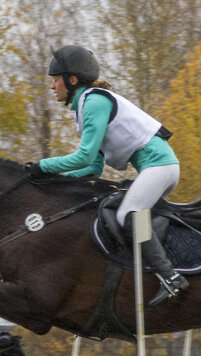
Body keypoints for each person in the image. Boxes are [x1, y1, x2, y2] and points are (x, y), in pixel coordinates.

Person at [27, 45, 189, 306]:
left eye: (55, 80)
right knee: (132, 216)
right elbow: (93, 170)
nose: (52, 86)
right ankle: (155, 271)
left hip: (160, 166)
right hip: (159, 167)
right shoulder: (87, 105)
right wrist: (55, 180)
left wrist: (43, 167)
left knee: (127, 215)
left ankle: (171, 278)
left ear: (72, 80)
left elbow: (85, 157)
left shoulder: (94, 102)